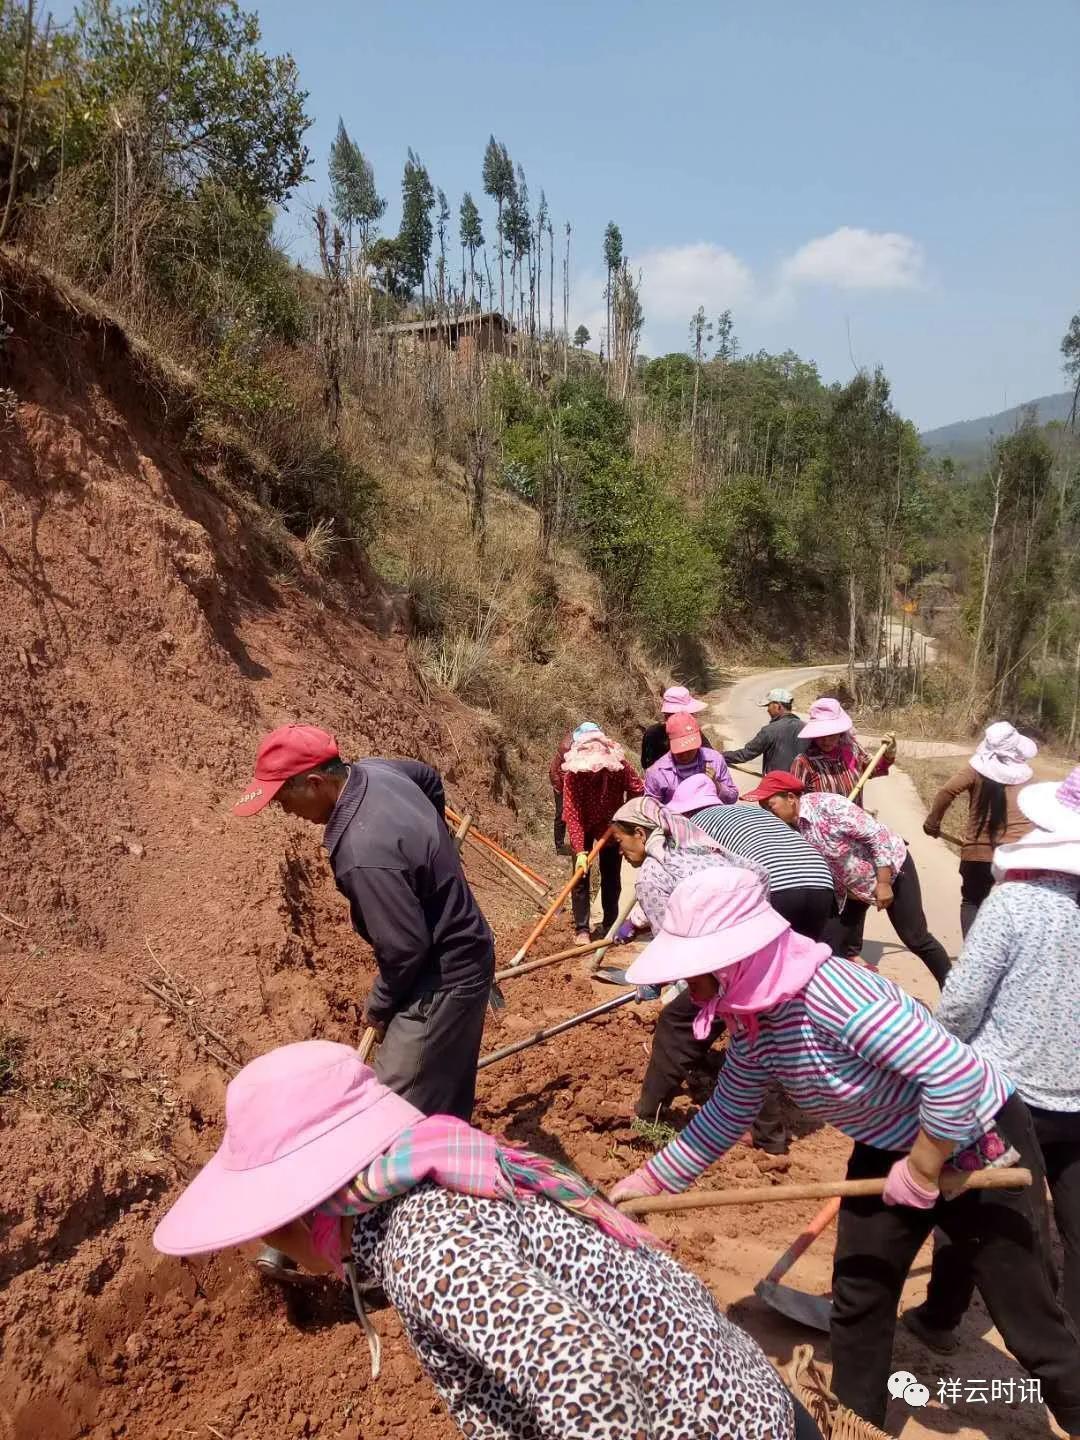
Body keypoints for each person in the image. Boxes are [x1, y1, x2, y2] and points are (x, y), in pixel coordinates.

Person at [609, 868, 1080, 1437]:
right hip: (889, 1143)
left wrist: (924, 1166)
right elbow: (727, 1112)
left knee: (1027, 1319)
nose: (690, 986)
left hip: (976, 1139)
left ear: (734, 960)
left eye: (695, 971)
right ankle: (859, 1426)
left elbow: (955, 1076)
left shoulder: (834, 997)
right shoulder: (756, 1016)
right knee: (860, 1291)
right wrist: (649, 1182)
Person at [153, 1040, 823, 1440]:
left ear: (301, 1212)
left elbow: (587, 1380)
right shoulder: (438, 1179)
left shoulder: (423, 1247)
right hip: (742, 1398)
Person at [234, 724, 494, 1121]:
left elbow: (405, 948)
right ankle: (449, 1152)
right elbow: (428, 777)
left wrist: (380, 1005)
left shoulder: (363, 851)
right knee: (443, 1101)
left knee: (386, 1114)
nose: (283, 810)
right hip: (465, 949)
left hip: (443, 979)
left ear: (316, 783)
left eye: (283, 798)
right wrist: (436, 843)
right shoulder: (374, 770)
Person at [906, 766, 1080, 1352]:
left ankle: (942, 1318)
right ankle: (1073, 1348)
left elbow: (961, 1002)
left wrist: (935, 1057)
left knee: (976, 1207)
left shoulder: (1014, 904)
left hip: (1004, 1093)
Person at [610, 786, 789, 1152]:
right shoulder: (698, 847)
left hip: (722, 965)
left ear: (640, 833)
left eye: (620, 840)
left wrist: (654, 983)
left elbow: (674, 948)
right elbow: (753, 874)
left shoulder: (650, 875)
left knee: (675, 1025)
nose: (620, 850)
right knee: (754, 1038)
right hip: (760, 952)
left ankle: (648, 1115)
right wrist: (637, 921)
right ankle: (771, 1139)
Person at [747, 770, 950, 987]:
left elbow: (878, 837)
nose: (768, 811)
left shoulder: (829, 806)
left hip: (892, 870)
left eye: (770, 804)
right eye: (763, 807)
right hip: (850, 890)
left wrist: (883, 883)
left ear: (790, 798)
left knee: (915, 938)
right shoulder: (788, 829)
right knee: (829, 946)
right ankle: (840, 997)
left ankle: (955, 992)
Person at [923, 719, 1036, 935]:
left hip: (978, 855)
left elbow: (947, 791)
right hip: (1017, 856)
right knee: (1012, 910)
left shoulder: (975, 770)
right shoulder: (1026, 775)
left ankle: (974, 951)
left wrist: (932, 823)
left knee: (972, 901)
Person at [560, 725, 644, 945]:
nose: (595, 771)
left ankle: (610, 923)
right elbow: (573, 814)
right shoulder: (573, 776)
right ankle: (582, 929)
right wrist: (580, 851)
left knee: (611, 875)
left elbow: (637, 789)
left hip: (611, 825)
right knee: (581, 875)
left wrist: (624, 818)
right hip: (584, 824)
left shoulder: (619, 768)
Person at [790, 696, 894, 805]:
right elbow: (794, 803)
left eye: (831, 735)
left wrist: (888, 755)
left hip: (855, 815)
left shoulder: (853, 750)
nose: (826, 740)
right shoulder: (803, 762)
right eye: (821, 735)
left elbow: (872, 770)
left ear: (840, 733)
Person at [645, 713, 737, 806]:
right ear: (669, 743)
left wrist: (716, 785)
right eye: (680, 750)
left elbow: (732, 798)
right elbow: (650, 808)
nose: (685, 755)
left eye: (690, 749)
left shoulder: (715, 760)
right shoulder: (657, 772)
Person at [723, 687, 808, 776]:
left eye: (768, 706)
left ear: (777, 706)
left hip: (776, 782)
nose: (767, 710)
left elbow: (746, 754)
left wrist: (720, 756)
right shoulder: (805, 728)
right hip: (801, 782)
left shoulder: (770, 730)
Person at [640, 684, 713, 770]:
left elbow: (646, 764)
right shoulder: (654, 734)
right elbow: (710, 757)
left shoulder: (652, 733)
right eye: (691, 713)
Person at [547, 728, 575, 856]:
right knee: (561, 814)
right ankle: (559, 846)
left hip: (572, 787)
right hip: (561, 786)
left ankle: (575, 844)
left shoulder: (581, 749)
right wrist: (559, 788)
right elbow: (553, 770)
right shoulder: (565, 747)